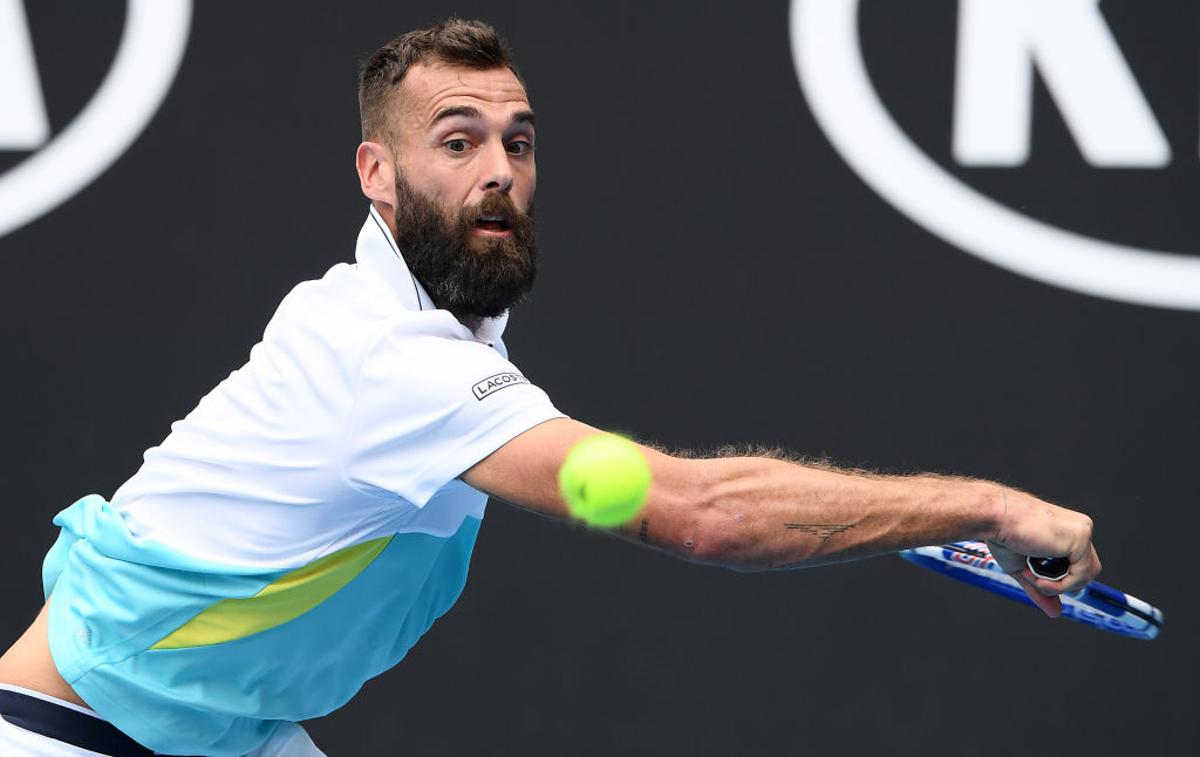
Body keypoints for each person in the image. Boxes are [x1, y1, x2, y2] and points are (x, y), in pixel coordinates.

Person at [0, 17, 1101, 757]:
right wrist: (991, 504)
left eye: (518, 143)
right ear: (375, 176)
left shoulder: (445, 346)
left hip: (207, 731)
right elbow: (696, 514)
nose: (499, 171)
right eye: (458, 140)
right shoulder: (388, 361)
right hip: (65, 732)